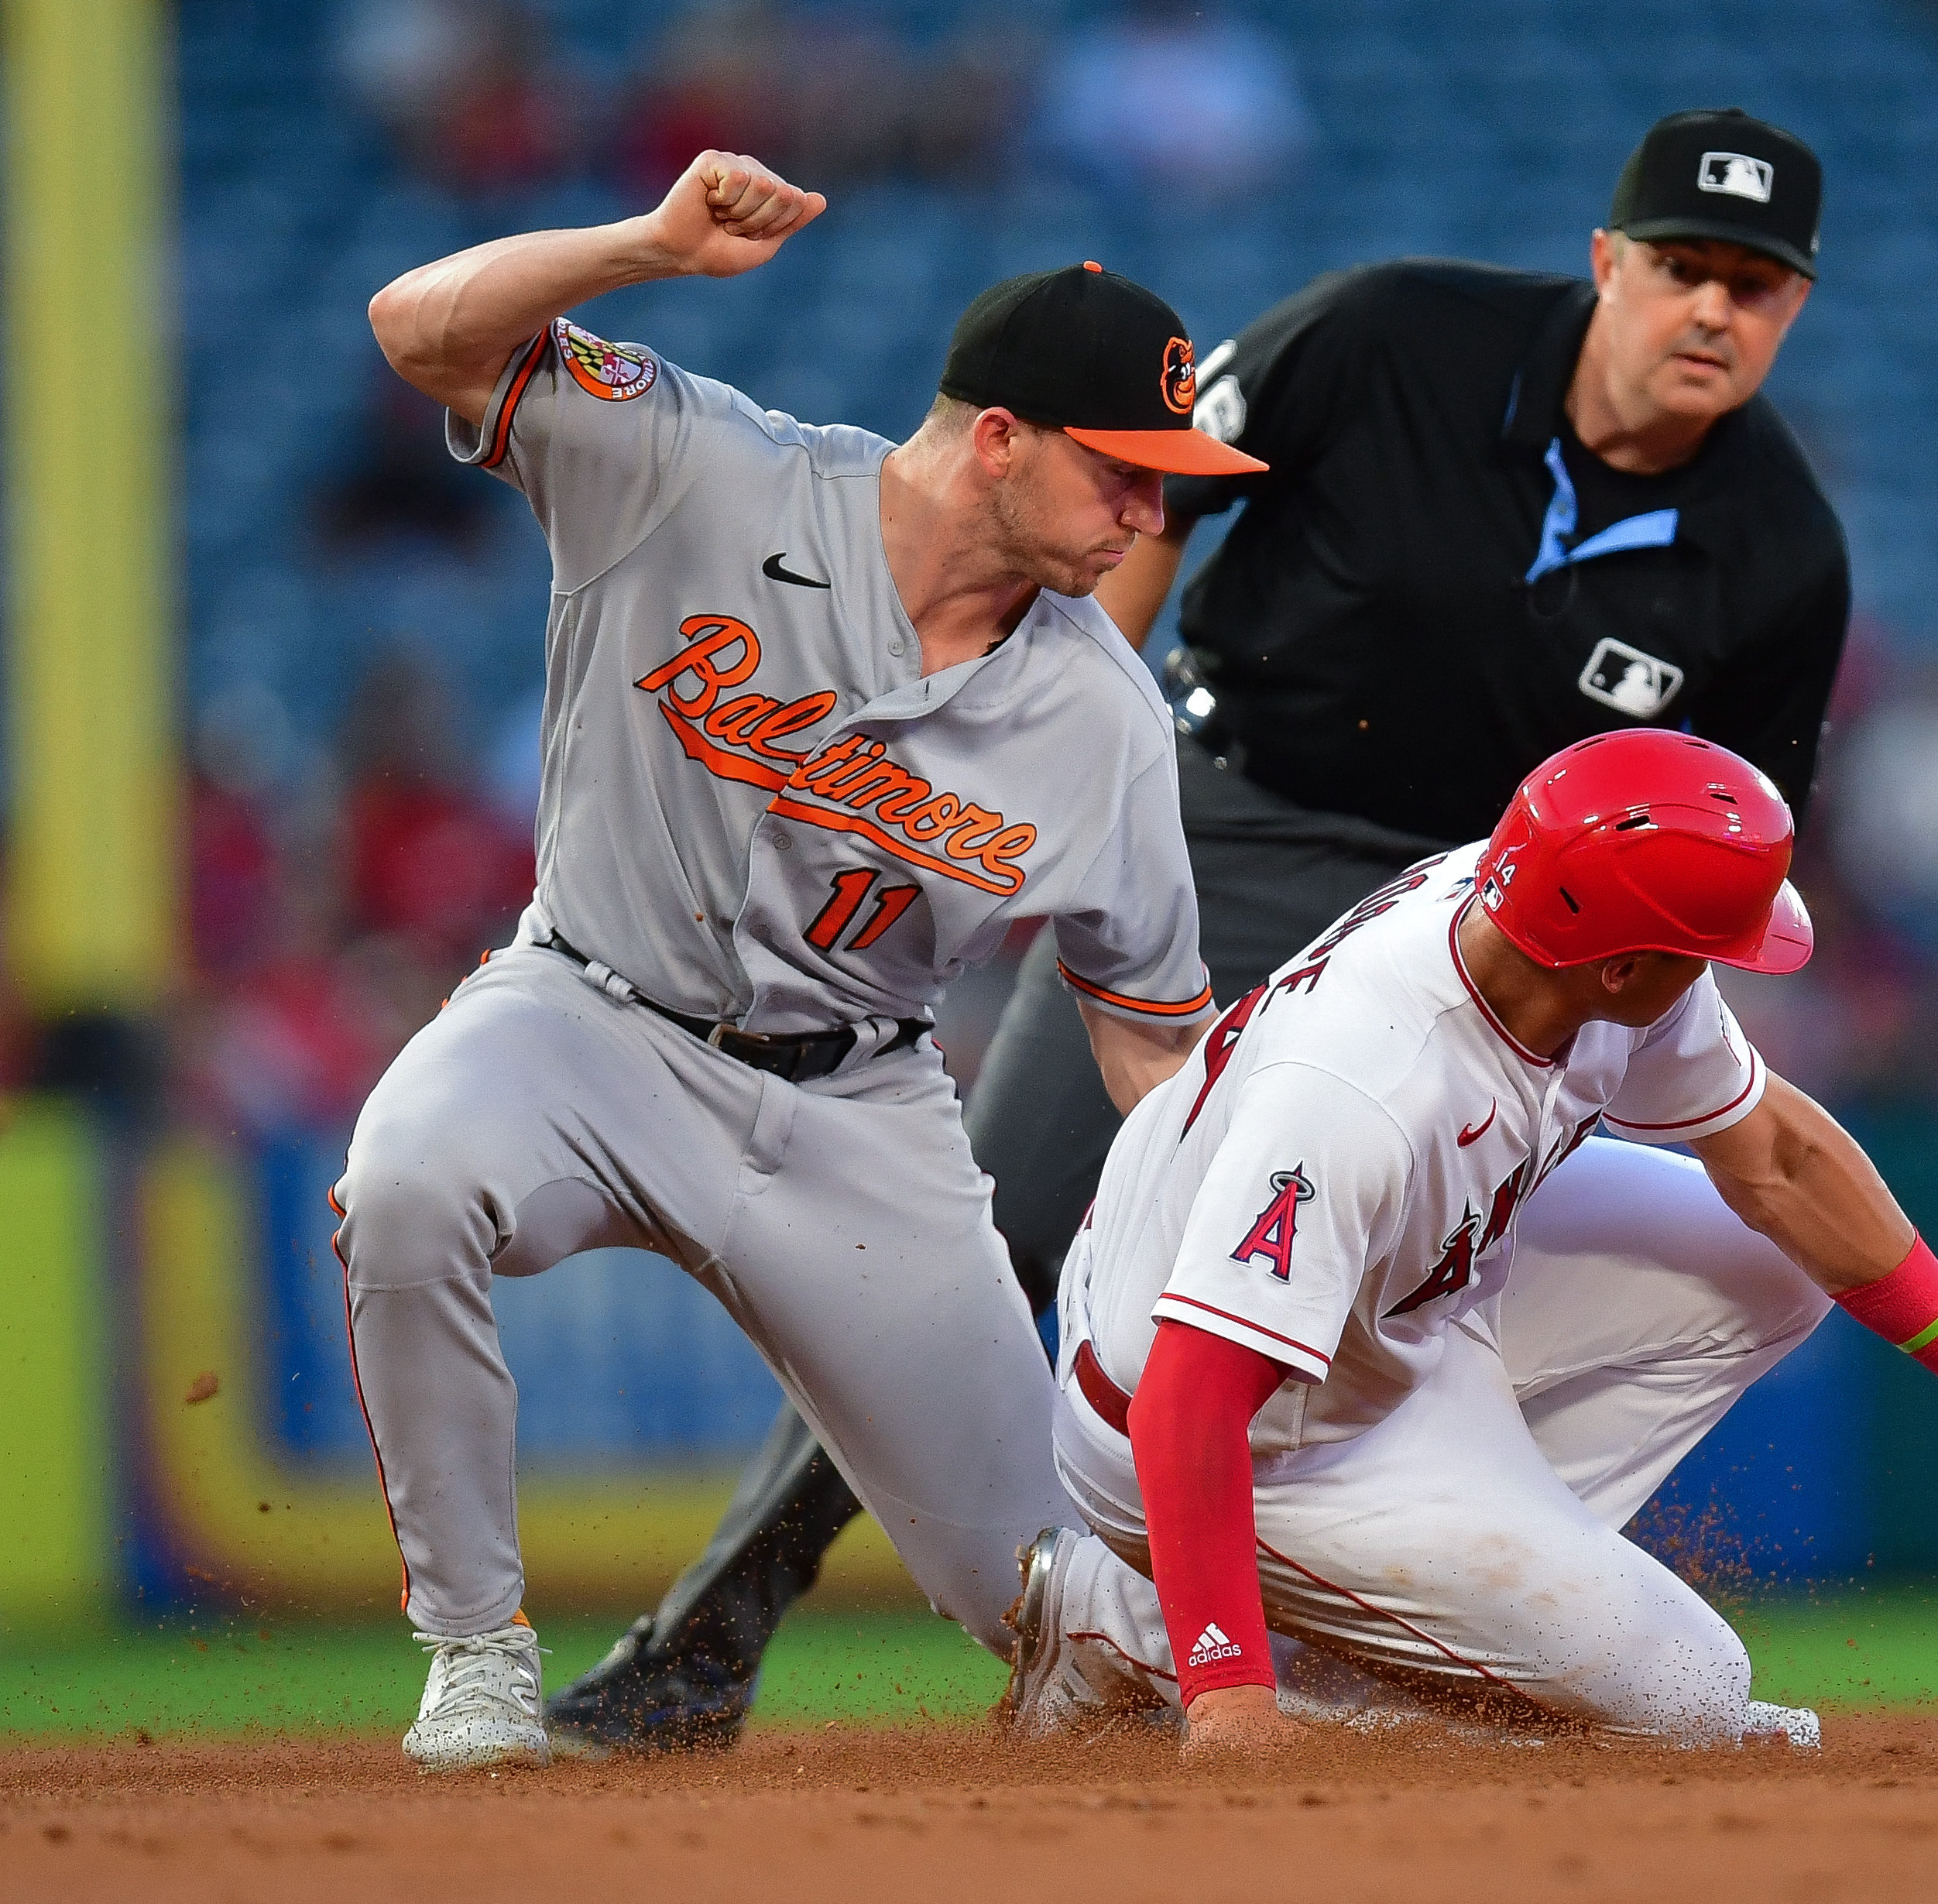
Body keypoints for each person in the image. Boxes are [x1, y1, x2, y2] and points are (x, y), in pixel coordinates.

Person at [551, 105, 1859, 1755]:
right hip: (1217, 829)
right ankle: (701, 1645)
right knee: (994, 1233)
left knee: (1440, 1279)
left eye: (1757, 285)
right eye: (1682, 267)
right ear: (1606, 261)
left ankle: (1357, 1637)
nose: (1713, 311)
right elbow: (1141, 499)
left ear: (1794, 308)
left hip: (1486, 939)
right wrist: (1057, 757)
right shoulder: (1390, 335)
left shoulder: (1778, 547)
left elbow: (1737, 832)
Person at [349, 149, 1263, 1769]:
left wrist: (1263, 1233)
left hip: (857, 1116)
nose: (1150, 510)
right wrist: (639, 244)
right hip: (586, 1019)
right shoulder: (701, 470)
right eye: (1123, 469)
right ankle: (474, 1653)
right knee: (412, 1182)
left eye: (1165, 478)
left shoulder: (1101, 717)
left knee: (1062, 1622)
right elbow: (414, 329)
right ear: (998, 438)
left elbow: (1146, 1041)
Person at [1006, 731, 1938, 1750]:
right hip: (1231, 1420)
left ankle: (1473, 1631)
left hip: (1387, 1299)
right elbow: (1190, 1400)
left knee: (1766, 1263)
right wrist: (1224, 1700)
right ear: (1619, 959)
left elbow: (1775, 1160)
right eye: (1706, 945)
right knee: (1690, 1695)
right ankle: (1132, 1628)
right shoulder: (1367, 1081)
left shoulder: (1545, 923)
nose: (1723, 967)